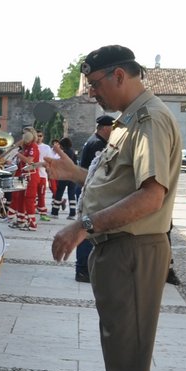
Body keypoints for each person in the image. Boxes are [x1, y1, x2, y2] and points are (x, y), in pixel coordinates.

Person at [47, 45, 181, 371]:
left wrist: (82, 225)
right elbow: (116, 184)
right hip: (119, 252)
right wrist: (75, 175)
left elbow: (149, 197)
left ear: (119, 75)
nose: (91, 93)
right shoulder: (131, 121)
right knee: (119, 362)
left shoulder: (149, 121)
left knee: (127, 365)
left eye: (95, 83)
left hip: (132, 251)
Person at [73, 116, 114, 283]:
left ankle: (85, 268)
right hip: (89, 192)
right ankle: (82, 269)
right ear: (105, 128)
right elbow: (98, 172)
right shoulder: (97, 144)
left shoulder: (94, 140)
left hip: (88, 190)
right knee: (87, 229)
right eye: (112, 128)